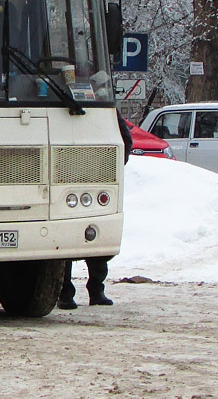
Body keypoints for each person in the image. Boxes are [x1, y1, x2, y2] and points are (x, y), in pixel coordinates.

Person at [59, 115, 133, 310]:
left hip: (95, 179)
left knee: (96, 237)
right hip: (65, 181)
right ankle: (65, 292)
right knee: (63, 239)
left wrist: (111, 168)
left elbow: (124, 141)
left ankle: (94, 290)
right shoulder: (57, 107)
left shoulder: (103, 110)